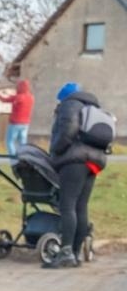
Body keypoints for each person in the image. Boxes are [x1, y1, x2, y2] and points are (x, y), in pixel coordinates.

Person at [44, 82, 110, 269]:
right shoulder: (93, 108)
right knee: (81, 206)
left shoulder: (69, 105)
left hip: (75, 161)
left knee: (67, 205)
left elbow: (67, 131)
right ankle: (75, 253)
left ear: (64, 97)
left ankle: (65, 252)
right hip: (94, 162)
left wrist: (55, 150)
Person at [0, 78, 34, 156]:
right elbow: (16, 97)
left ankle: (14, 157)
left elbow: (5, 99)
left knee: (10, 141)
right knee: (22, 142)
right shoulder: (31, 98)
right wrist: (9, 94)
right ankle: (23, 156)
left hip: (15, 123)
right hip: (25, 124)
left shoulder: (18, 97)